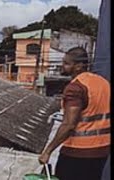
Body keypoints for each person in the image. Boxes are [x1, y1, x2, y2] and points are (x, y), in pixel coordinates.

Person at [38, 47, 110, 180]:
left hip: (78, 152)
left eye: (67, 63)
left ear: (78, 66)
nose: (62, 66)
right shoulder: (103, 83)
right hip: (102, 149)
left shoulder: (75, 88)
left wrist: (47, 151)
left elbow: (69, 124)